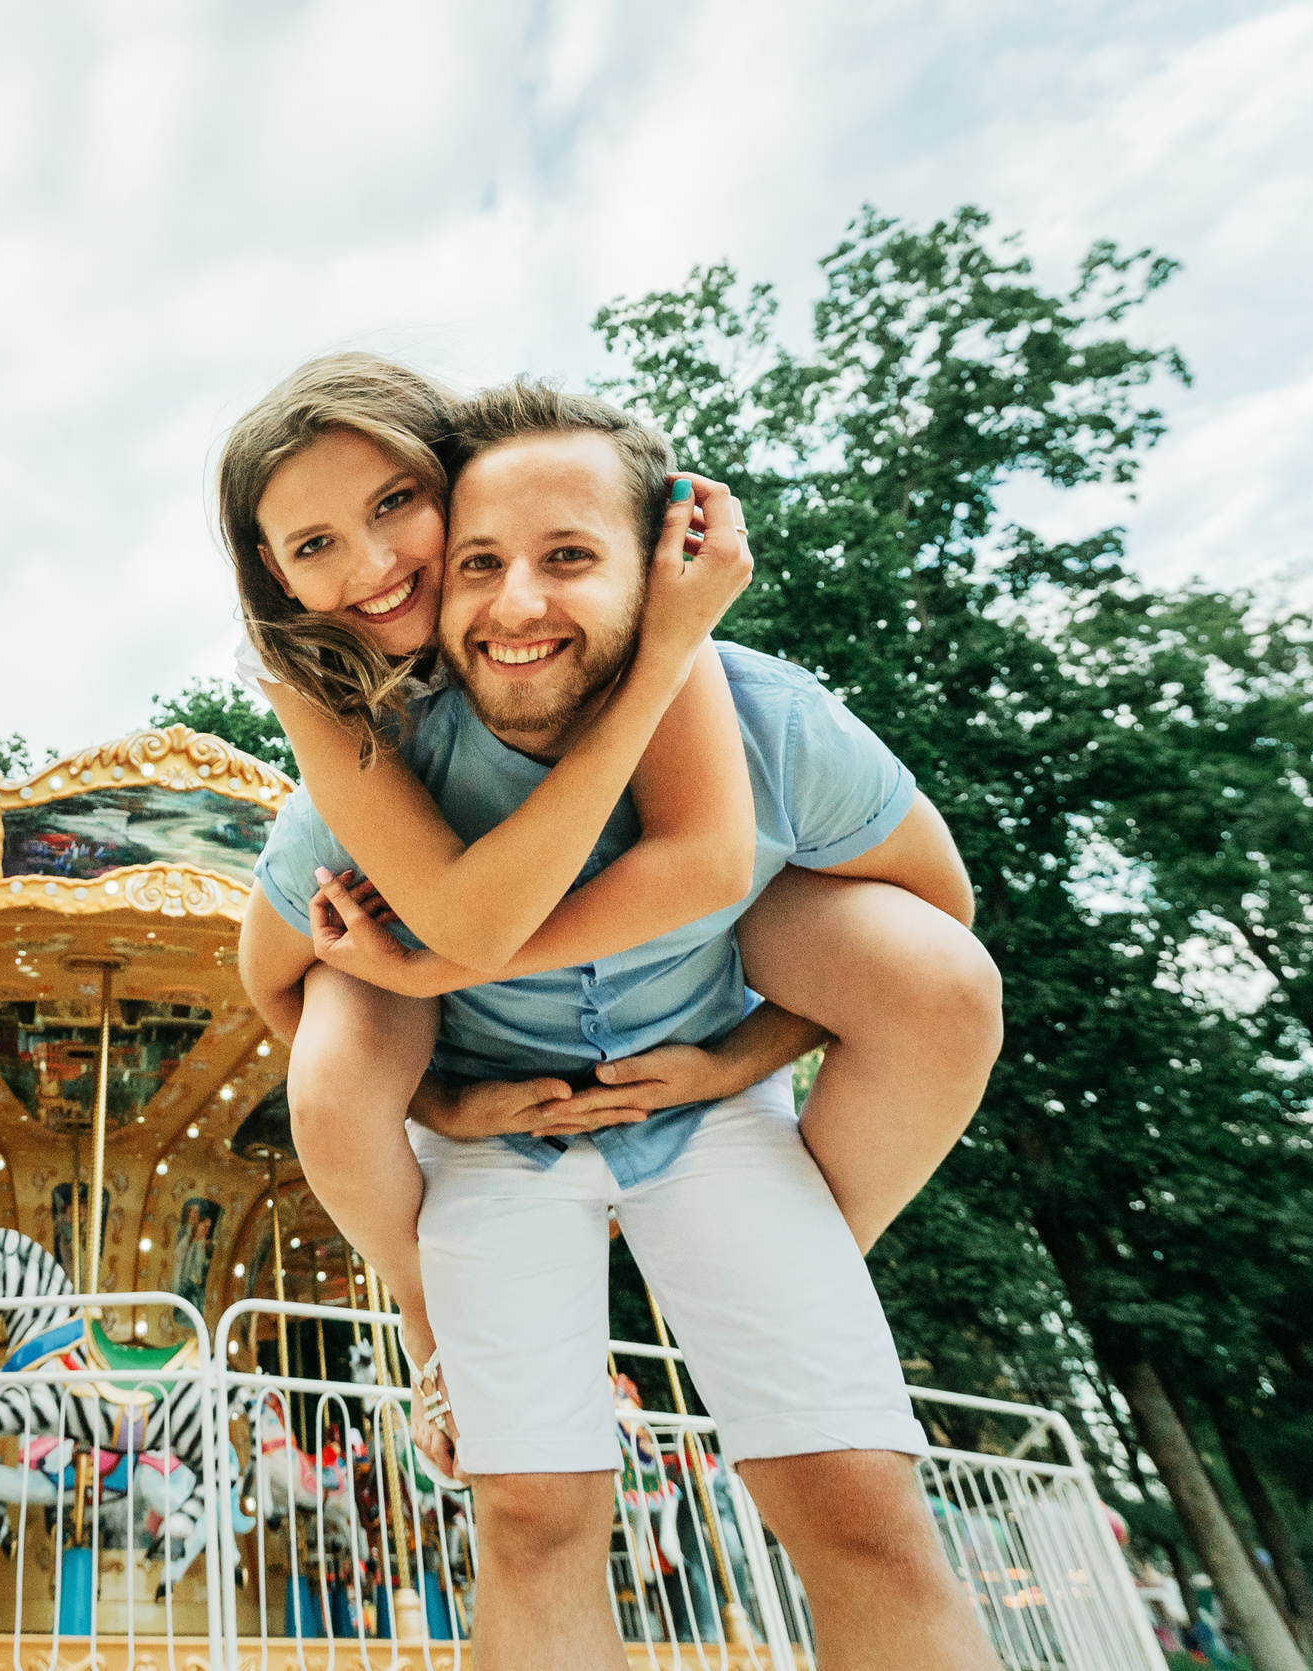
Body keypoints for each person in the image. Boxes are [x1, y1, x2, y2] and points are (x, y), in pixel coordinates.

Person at [232, 363, 1003, 1669]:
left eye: (571, 557)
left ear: (661, 574)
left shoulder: (766, 722)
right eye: (479, 562)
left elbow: (934, 917)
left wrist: (738, 1057)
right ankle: (437, 1332)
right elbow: (282, 980)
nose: (513, 600)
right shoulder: (372, 755)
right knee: (533, 1514)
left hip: (702, 1099)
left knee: (856, 1501)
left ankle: (804, 1286)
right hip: (490, 1123)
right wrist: (433, 1089)